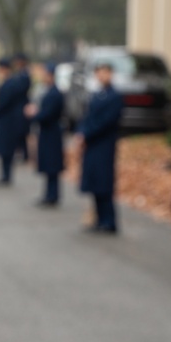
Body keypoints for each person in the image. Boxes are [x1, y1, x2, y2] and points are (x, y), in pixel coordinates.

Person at [75, 62, 124, 234]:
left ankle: (109, 220)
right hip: (92, 145)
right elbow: (87, 117)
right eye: (99, 73)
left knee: (104, 183)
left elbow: (106, 121)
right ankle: (99, 218)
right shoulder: (96, 95)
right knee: (95, 182)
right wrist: (81, 132)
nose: (101, 76)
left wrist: (87, 133)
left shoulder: (114, 97)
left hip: (104, 144)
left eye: (105, 73)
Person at [25, 63, 66, 207]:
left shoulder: (55, 93)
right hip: (47, 132)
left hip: (52, 133)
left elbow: (48, 114)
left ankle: (53, 195)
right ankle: (49, 193)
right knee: (48, 164)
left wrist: (34, 114)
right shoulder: (48, 91)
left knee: (52, 164)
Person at [0, 58, 19, 185]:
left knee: (6, 148)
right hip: (6, 119)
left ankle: (6, 175)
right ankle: (4, 174)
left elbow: (4, 102)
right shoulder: (8, 83)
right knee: (3, 148)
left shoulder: (10, 84)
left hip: (7, 120)